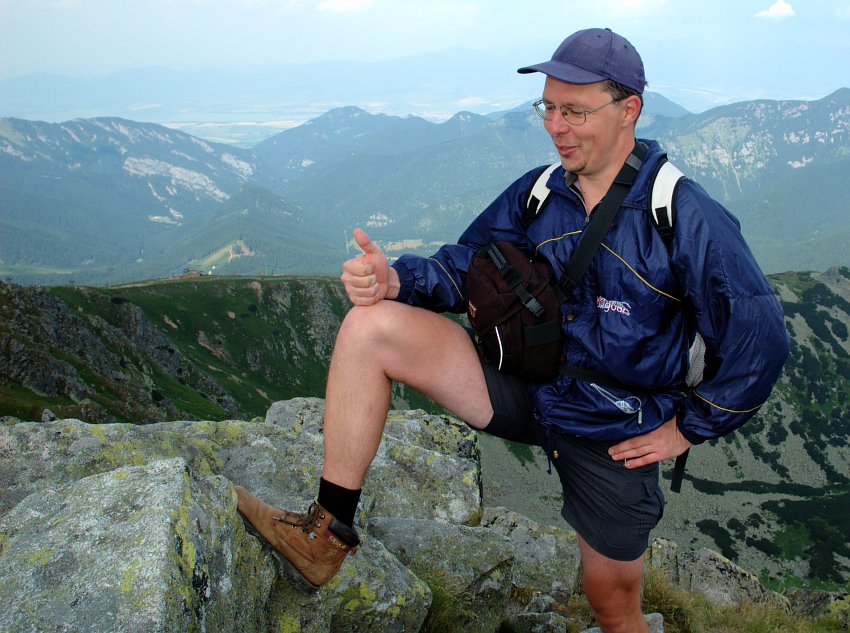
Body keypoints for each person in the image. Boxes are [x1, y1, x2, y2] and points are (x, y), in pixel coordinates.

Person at [234, 27, 789, 632]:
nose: (556, 126)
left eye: (574, 111)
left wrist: (687, 427)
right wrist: (394, 280)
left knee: (611, 604)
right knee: (371, 328)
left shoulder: (681, 214)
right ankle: (325, 534)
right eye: (547, 108)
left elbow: (760, 337)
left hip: (612, 427)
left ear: (628, 108)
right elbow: (471, 266)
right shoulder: (540, 193)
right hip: (525, 383)